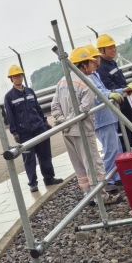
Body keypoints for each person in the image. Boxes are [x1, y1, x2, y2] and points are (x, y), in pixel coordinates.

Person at [50, 48, 114, 204]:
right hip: (82, 130)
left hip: (66, 131)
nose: (94, 65)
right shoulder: (86, 82)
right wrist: (71, 120)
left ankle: (88, 195)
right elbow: (84, 109)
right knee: (93, 162)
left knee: (78, 165)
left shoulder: (62, 81)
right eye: (91, 62)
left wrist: (63, 120)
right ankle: (101, 196)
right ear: (83, 64)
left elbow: (54, 106)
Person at [2, 64, 63, 192]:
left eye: (20, 76)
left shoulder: (30, 92)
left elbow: (38, 108)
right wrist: (15, 132)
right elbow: (10, 116)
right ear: (11, 79)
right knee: (29, 159)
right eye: (15, 77)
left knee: (45, 155)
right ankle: (33, 183)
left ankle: (49, 178)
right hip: (25, 133)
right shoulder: (9, 97)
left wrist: (44, 122)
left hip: (39, 128)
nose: (18, 78)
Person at [85, 44, 125, 194]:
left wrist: (122, 90)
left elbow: (105, 91)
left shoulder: (95, 75)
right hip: (101, 119)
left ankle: (117, 176)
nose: (97, 60)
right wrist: (109, 95)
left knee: (117, 149)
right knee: (110, 150)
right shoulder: (87, 78)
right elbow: (97, 95)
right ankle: (106, 180)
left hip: (109, 116)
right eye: (94, 58)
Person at [96, 34, 132, 150]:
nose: (114, 49)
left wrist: (127, 88)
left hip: (125, 104)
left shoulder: (112, 63)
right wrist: (123, 90)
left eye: (114, 46)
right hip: (117, 108)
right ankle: (127, 163)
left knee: (130, 133)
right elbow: (109, 89)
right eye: (110, 47)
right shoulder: (101, 68)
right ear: (101, 50)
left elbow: (120, 81)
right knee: (123, 137)